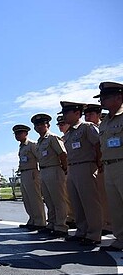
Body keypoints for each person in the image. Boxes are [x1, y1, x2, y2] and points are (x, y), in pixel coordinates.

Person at [59, 101, 102, 246]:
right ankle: (81, 231)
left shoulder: (87, 128)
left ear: (77, 113)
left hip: (86, 166)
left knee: (90, 203)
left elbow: (98, 145)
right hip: (73, 168)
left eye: (66, 113)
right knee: (77, 203)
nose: (64, 116)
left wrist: (98, 164)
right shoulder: (69, 133)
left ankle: (94, 234)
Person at [94, 81, 123, 252]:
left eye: (105, 97)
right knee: (115, 206)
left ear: (119, 97)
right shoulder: (104, 123)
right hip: (110, 166)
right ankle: (120, 239)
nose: (101, 101)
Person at [33, 113, 68, 237]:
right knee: (49, 200)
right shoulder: (39, 141)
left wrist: (64, 169)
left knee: (58, 200)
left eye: (42, 124)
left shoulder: (53, 138)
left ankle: (61, 226)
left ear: (47, 125)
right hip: (43, 171)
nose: (39, 127)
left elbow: (63, 154)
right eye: (37, 125)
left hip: (54, 170)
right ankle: (52, 223)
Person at [84, 103, 112, 234]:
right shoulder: (88, 129)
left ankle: (110, 223)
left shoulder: (104, 126)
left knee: (110, 197)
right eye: (86, 114)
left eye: (90, 114)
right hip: (97, 166)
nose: (87, 116)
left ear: (99, 115)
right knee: (101, 197)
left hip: (108, 164)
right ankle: (106, 223)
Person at [13, 124, 46, 230]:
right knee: (27, 199)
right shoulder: (22, 146)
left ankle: (40, 222)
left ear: (26, 133)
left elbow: (40, 158)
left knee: (35, 198)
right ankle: (32, 219)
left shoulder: (32, 144)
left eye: (19, 133)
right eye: (16, 134)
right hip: (24, 173)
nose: (17, 135)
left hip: (32, 173)